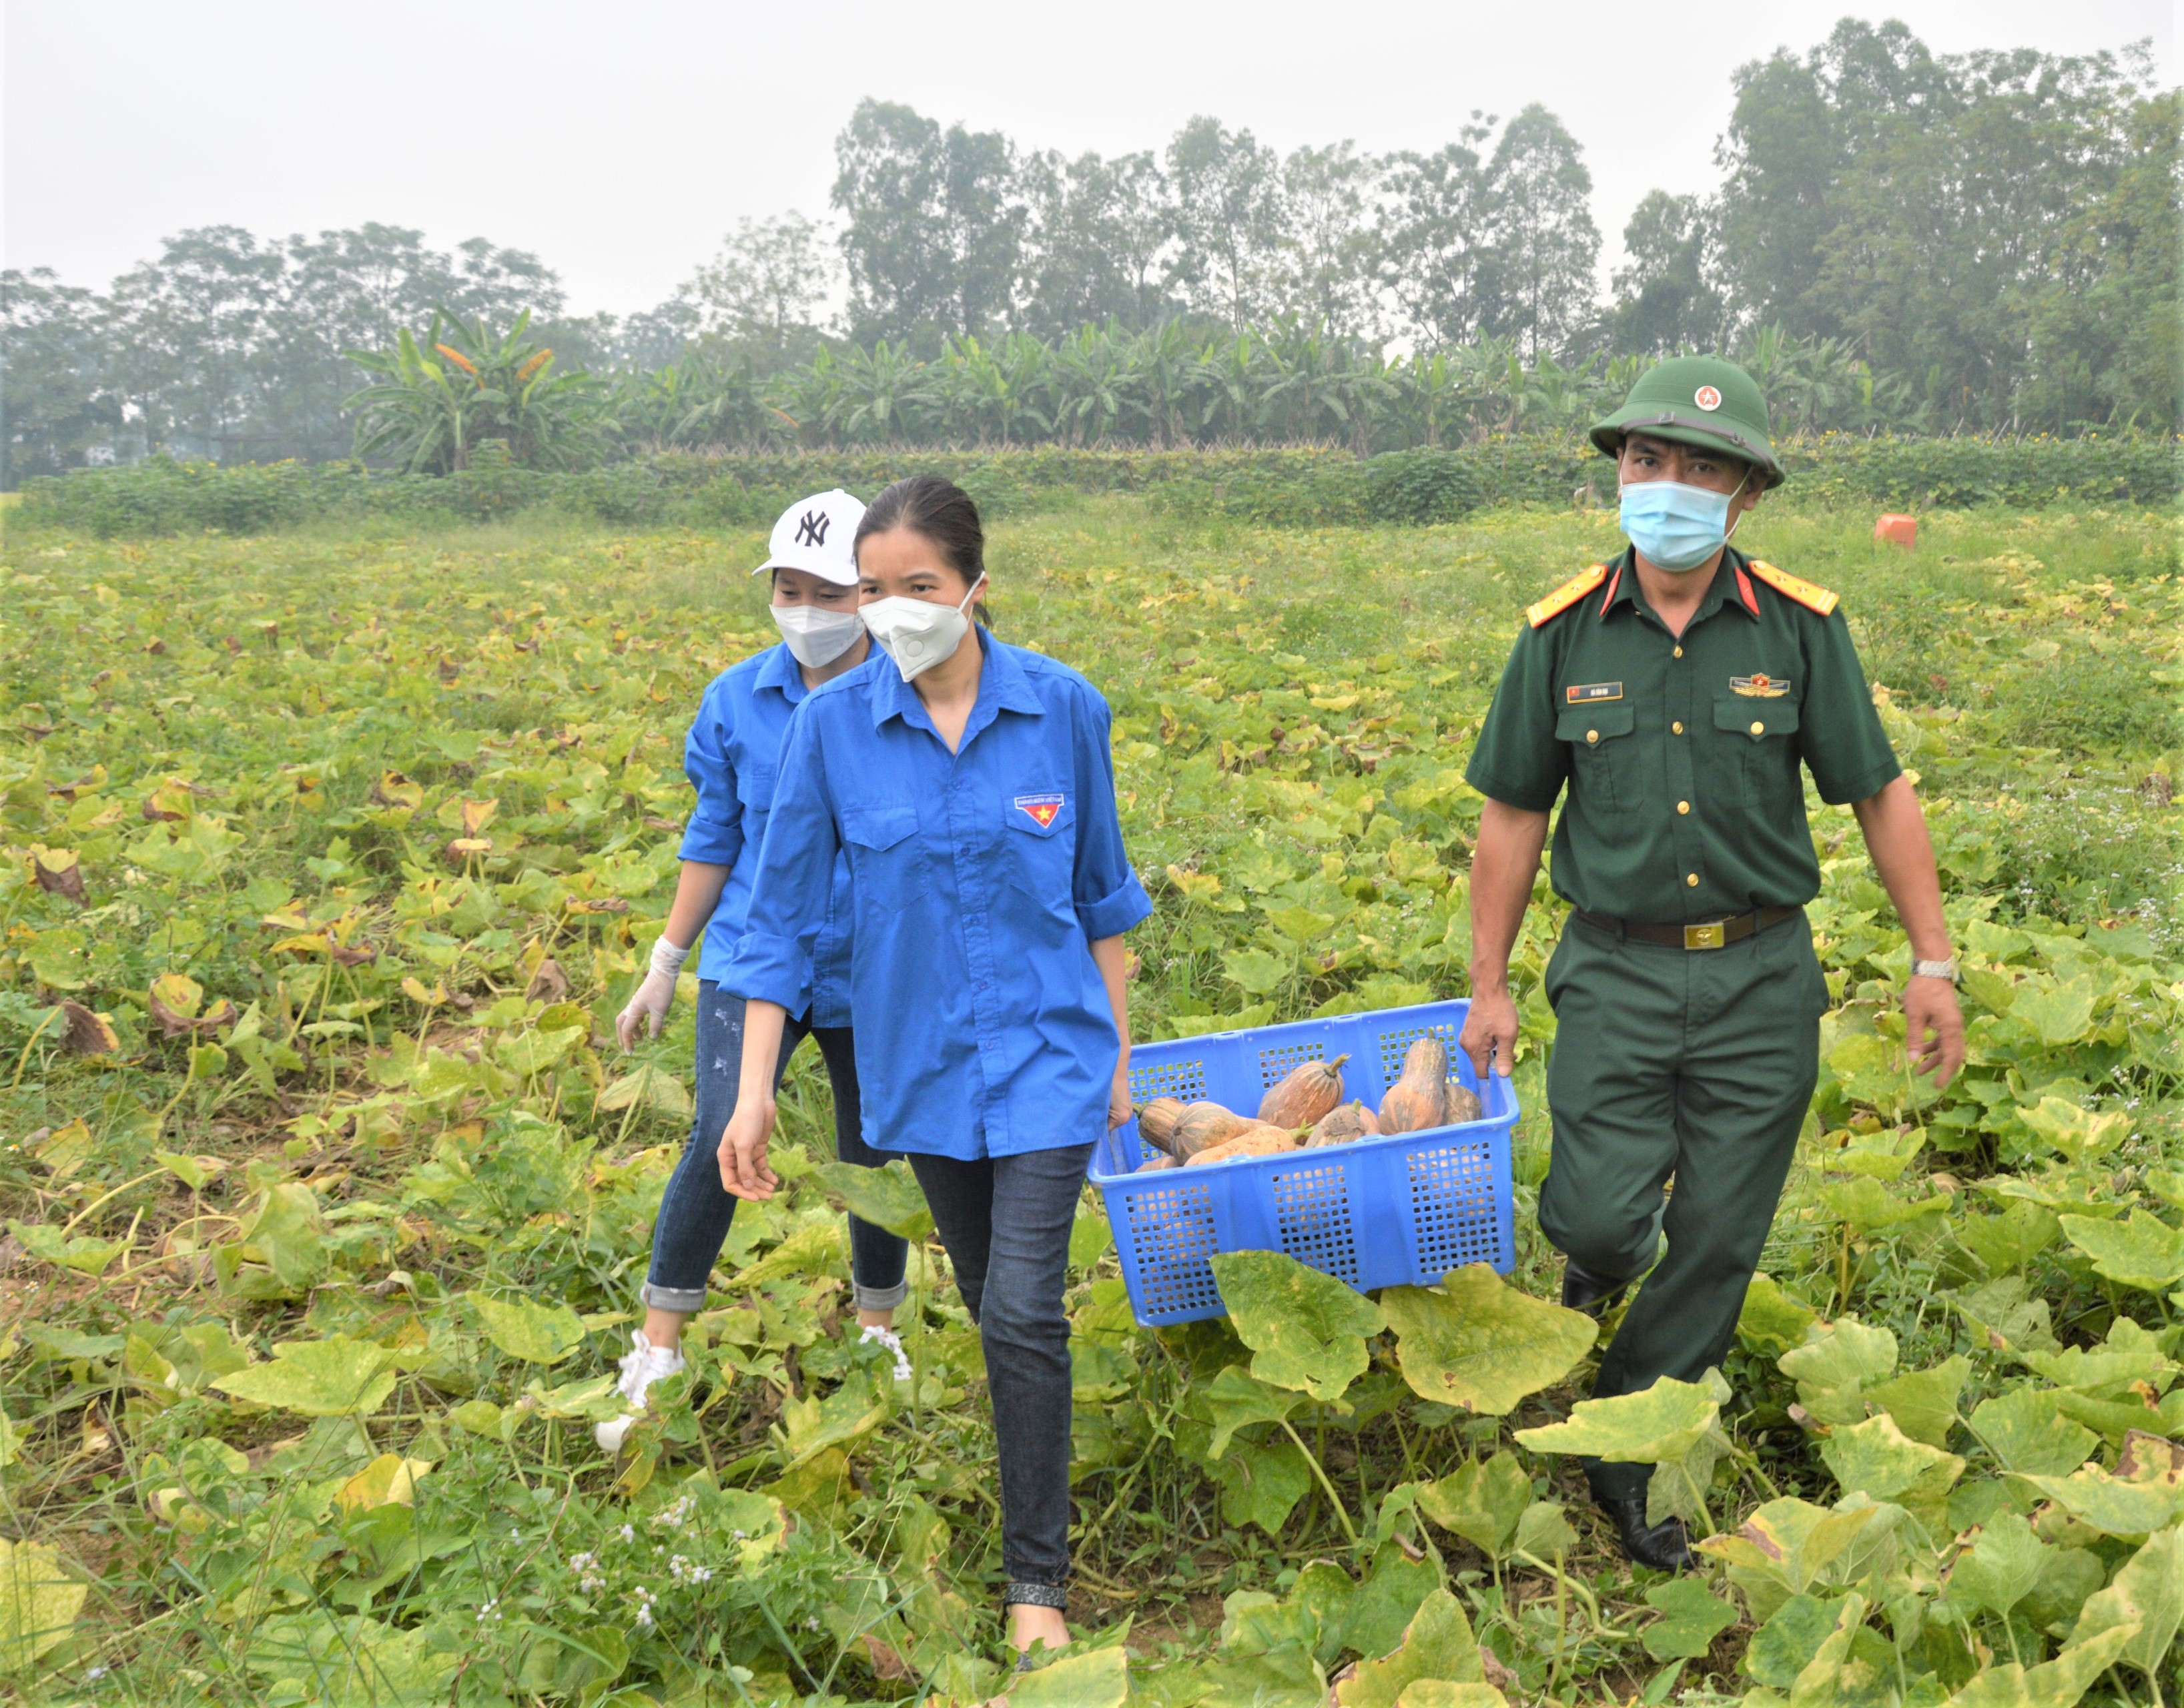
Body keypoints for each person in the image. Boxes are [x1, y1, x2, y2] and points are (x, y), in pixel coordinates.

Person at [1457, 356, 1966, 1569]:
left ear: (1744, 495)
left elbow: (1876, 792)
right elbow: (1513, 816)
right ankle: (1597, 1270)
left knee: (1720, 1237)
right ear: (1617, 474)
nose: (1668, 486)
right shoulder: (1560, 634)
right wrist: (1487, 982)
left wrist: (1933, 962)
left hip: (1758, 979)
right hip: (1615, 971)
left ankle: (1625, 1445)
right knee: (1597, 1216)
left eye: (1700, 468)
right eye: (1647, 461)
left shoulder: (1798, 627)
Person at [718, 475, 1150, 1660]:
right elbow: (777, 925)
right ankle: (1032, 1453)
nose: (893, 609)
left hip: (1051, 1054)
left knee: (1020, 1308)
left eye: (919, 585)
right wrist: (752, 1093)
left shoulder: (1062, 708)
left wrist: (1116, 1059)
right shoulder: (831, 730)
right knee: (989, 1302)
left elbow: (1102, 897)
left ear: (972, 588)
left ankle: (1036, 1584)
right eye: (873, 589)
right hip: (920, 1069)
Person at [597, 489, 912, 1454]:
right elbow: (715, 834)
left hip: (872, 961)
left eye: (829, 593)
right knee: (718, 1138)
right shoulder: (735, 699)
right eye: (789, 590)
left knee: (873, 1147)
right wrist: (665, 963)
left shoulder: (910, 693)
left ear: (869, 596)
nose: (806, 610)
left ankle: (878, 1333)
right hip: (752, 953)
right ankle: (657, 1349)